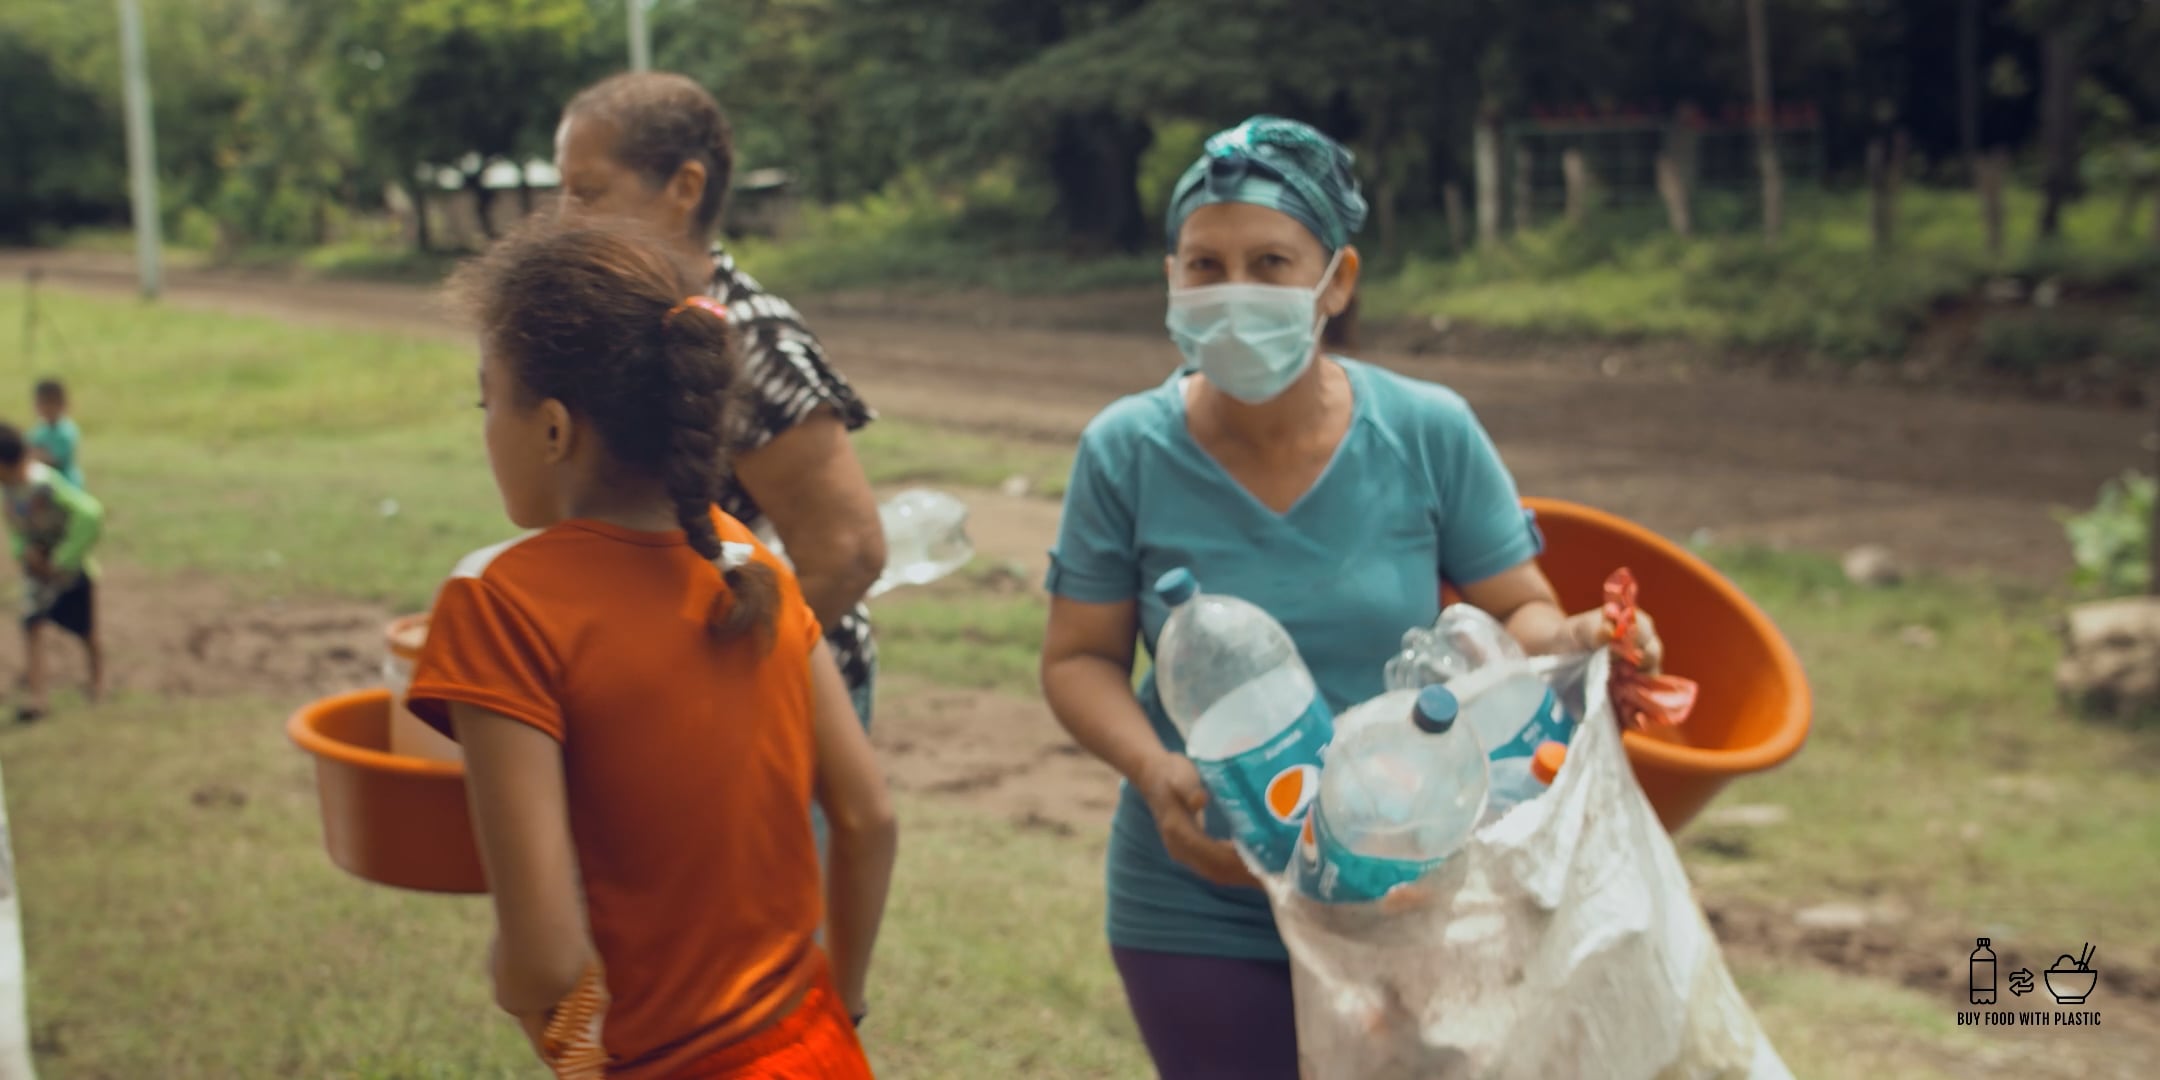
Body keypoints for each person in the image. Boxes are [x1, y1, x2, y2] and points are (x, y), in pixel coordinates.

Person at [1037, 116, 1663, 1078]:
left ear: (1338, 281)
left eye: (1271, 261)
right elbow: (1079, 658)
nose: (1234, 290)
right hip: (1200, 892)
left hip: (1413, 896)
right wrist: (1151, 768)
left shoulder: (1427, 430)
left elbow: (1520, 613)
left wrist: (1579, 636)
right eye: (1205, 265)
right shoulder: (1125, 450)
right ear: (1171, 278)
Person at [407, 220, 898, 1078]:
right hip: (820, 1049)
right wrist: (843, 1005)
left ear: (554, 429)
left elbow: (548, 958)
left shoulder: (497, 603)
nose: (486, 426)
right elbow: (867, 822)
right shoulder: (752, 567)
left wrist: (512, 984)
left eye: (488, 403)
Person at [552, 72, 886, 749]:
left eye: (587, 193)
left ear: (685, 188)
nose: (564, 220)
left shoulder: (751, 340)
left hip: (772, 690)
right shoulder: (621, 322)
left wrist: (706, 671)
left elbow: (847, 554)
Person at [0, 423, 103, 722]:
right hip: (37, 573)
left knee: (86, 632)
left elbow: (90, 514)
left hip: (69, 571)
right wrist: (23, 551)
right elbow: (16, 527)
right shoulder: (7, 491)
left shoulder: (43, 484)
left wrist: (64, 558)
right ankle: (38, 698)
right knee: (31, 627)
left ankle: (97, 683)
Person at [30, 378, 86, 490]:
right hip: (46, 483)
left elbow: (56, 461)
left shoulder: (66, 431)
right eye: (42, 403)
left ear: (62, 404)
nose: (47, 408)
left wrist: (35, 455)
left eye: (51, 403)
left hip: (67, 484)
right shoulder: (40, 428)